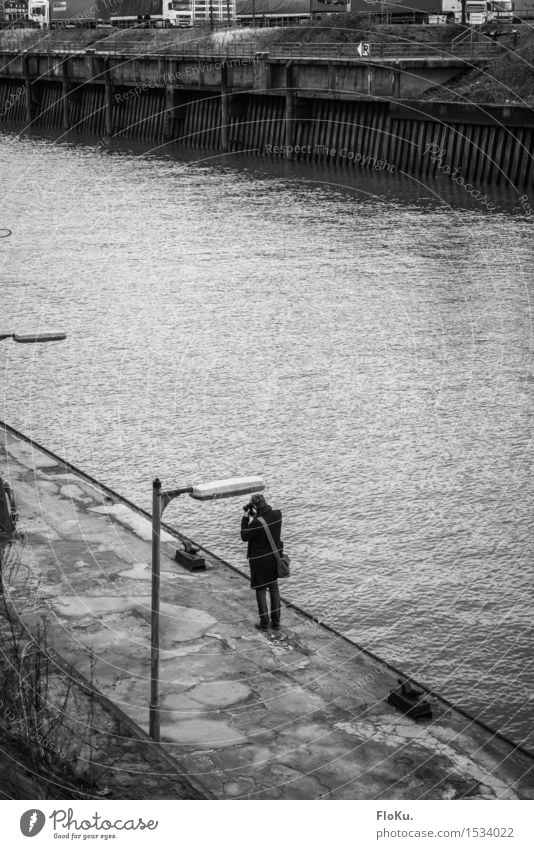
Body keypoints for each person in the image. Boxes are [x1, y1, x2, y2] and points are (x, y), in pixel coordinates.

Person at [240, 493, 282, 631]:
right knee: (274, 590)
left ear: (254, 505)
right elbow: (265, 525)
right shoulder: (277, 515)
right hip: (274, 558)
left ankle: (264, 623)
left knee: (261, 591)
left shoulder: (256, 522)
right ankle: (276, 623)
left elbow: (244, 536)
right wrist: (256, 516)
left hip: (260, 562)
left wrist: (246, 517)